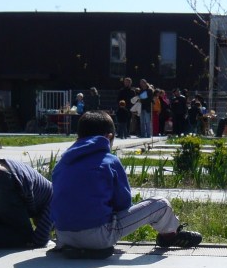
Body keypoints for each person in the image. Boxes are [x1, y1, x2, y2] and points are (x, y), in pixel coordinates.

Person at [51, 111, 202, 258]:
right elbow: (123, 204)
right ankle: (169, 235)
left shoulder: (62, 163)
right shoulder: (109, 160)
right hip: (100, 236)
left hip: (64, 236)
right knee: (160, 204)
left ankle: (79, 248)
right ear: (109, 137)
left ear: (79, 136)